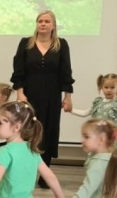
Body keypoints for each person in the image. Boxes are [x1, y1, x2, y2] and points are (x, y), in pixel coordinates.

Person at [10, 10, 74, 169]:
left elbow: (65, 72)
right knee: (28, 130)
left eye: (47, 21)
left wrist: (67, 97)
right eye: (40, 21)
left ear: (53, 25)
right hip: (29, 94)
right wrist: (20, 92)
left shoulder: (61, 44)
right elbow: (19, 70)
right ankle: (27, 170)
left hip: (52, 96)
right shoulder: (26, 43)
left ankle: (45, 172)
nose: (43, 24)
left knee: (48, 131)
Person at [70, 73, 117, 147]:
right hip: (98, 136)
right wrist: (71, 110)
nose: (109, 90)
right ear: (102, 87)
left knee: (110, 153)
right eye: (106, 87)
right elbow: (85, 113)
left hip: (112, 137)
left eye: (112, 87)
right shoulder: (98, 102)